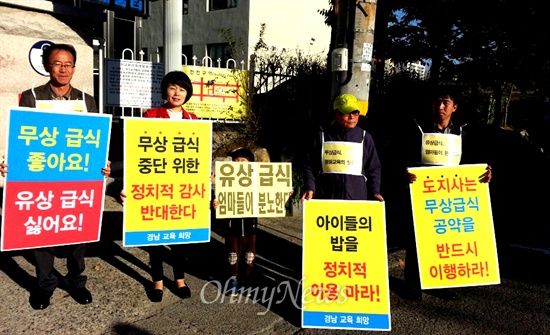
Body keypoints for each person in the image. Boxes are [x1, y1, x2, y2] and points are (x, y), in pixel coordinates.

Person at [1, 43, 111, 310]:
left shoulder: (87, 100)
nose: (63, 69)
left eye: (68, 64)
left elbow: (93, 139)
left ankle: (76, 282)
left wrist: (101, 162)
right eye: (57, 63)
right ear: (47, 66)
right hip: (41, 177)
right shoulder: (31, 97)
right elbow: (22, 137)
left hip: (77, 178)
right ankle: (45, 285)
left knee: (77, 232)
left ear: (74, 67)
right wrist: (10, 162)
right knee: (41, 233)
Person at [402, 86, 492, 301]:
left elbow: (474, 160)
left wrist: (486, 172)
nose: (440, 107)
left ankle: (439, 283)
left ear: (455, 107)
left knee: (444, 239)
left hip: (451, 195)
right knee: (416, 237)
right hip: (422, 193)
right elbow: (402, 154)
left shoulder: (464, 132)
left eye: (445, 103)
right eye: (437, 102)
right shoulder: (418, 129)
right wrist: (405, 170)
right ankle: (412, 284)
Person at [121, 70, 196, 302]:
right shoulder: (151, 115)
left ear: (187, 94)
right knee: (154, 236)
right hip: (156, 183)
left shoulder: (193, 120)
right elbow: (137, 152)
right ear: (165, 90)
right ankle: (157, 281)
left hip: (181, 186)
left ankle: (180, 278)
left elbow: (198, 154)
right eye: (173, 87)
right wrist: (129, 185)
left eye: (182, 89)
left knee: (180, 237)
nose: (177, 93)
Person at [300, 93, 384, 202]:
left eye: (355, 112)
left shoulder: (365, 137)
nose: (352, 117)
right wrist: (310, 187)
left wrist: (375, 192)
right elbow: (309, 165)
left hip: (357, 200)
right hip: (326, 199)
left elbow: (373, 168)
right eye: (347, 112)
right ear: (336, 113)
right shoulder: (321, 135)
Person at [212, 147, 258, 296]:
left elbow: (270, 192)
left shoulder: (257, 180)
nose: (238, 163)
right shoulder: (224, 180)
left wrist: (285, 191)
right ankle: (233, 280)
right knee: (232, 254)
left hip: (250, 225)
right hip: (232, 225)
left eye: (242, 161)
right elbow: (216, 198)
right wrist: (214, 204)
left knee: (249, 255)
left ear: (250, 163)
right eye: (235, 160)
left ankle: (247, 280)